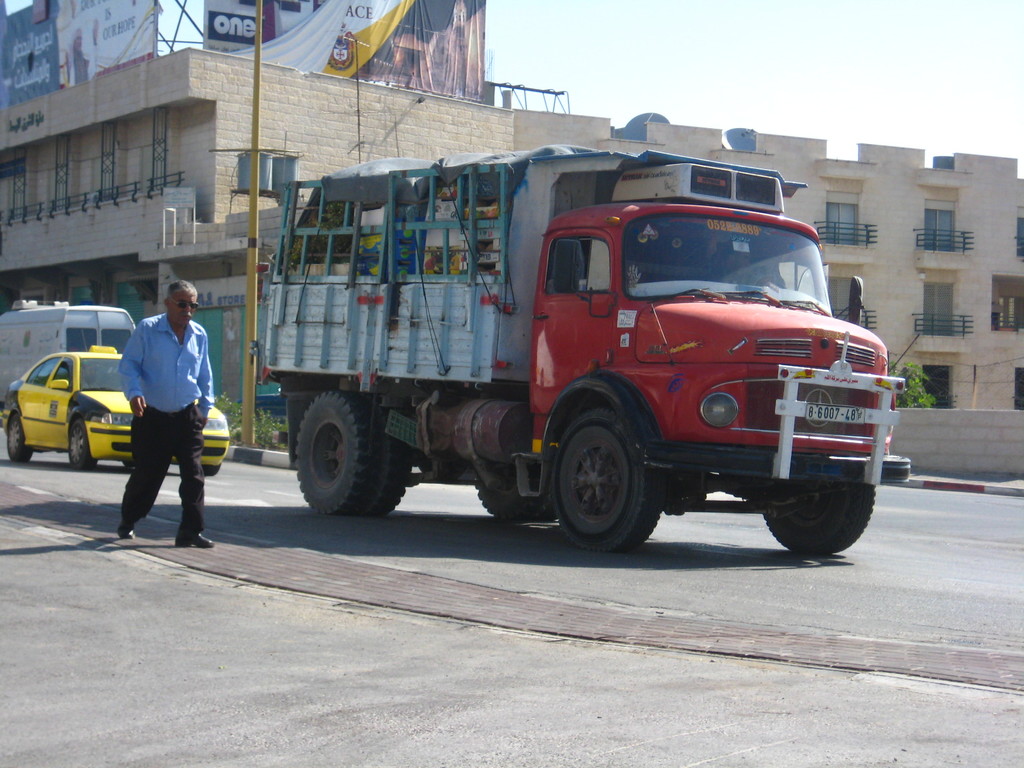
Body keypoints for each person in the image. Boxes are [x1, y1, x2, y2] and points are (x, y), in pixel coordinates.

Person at [116, 280, 216, 548]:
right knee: (148, 474)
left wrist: (205, 406)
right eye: (182, 304)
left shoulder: (199, 334)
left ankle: (190, 531)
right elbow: (129, 365)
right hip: (153, 416)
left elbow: (204, 372)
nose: (188, 310)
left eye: (193, 305)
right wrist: (134, 392)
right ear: (168, 303)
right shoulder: (148, 329)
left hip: (187, 415)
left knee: (194, 475)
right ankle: (129, 519)